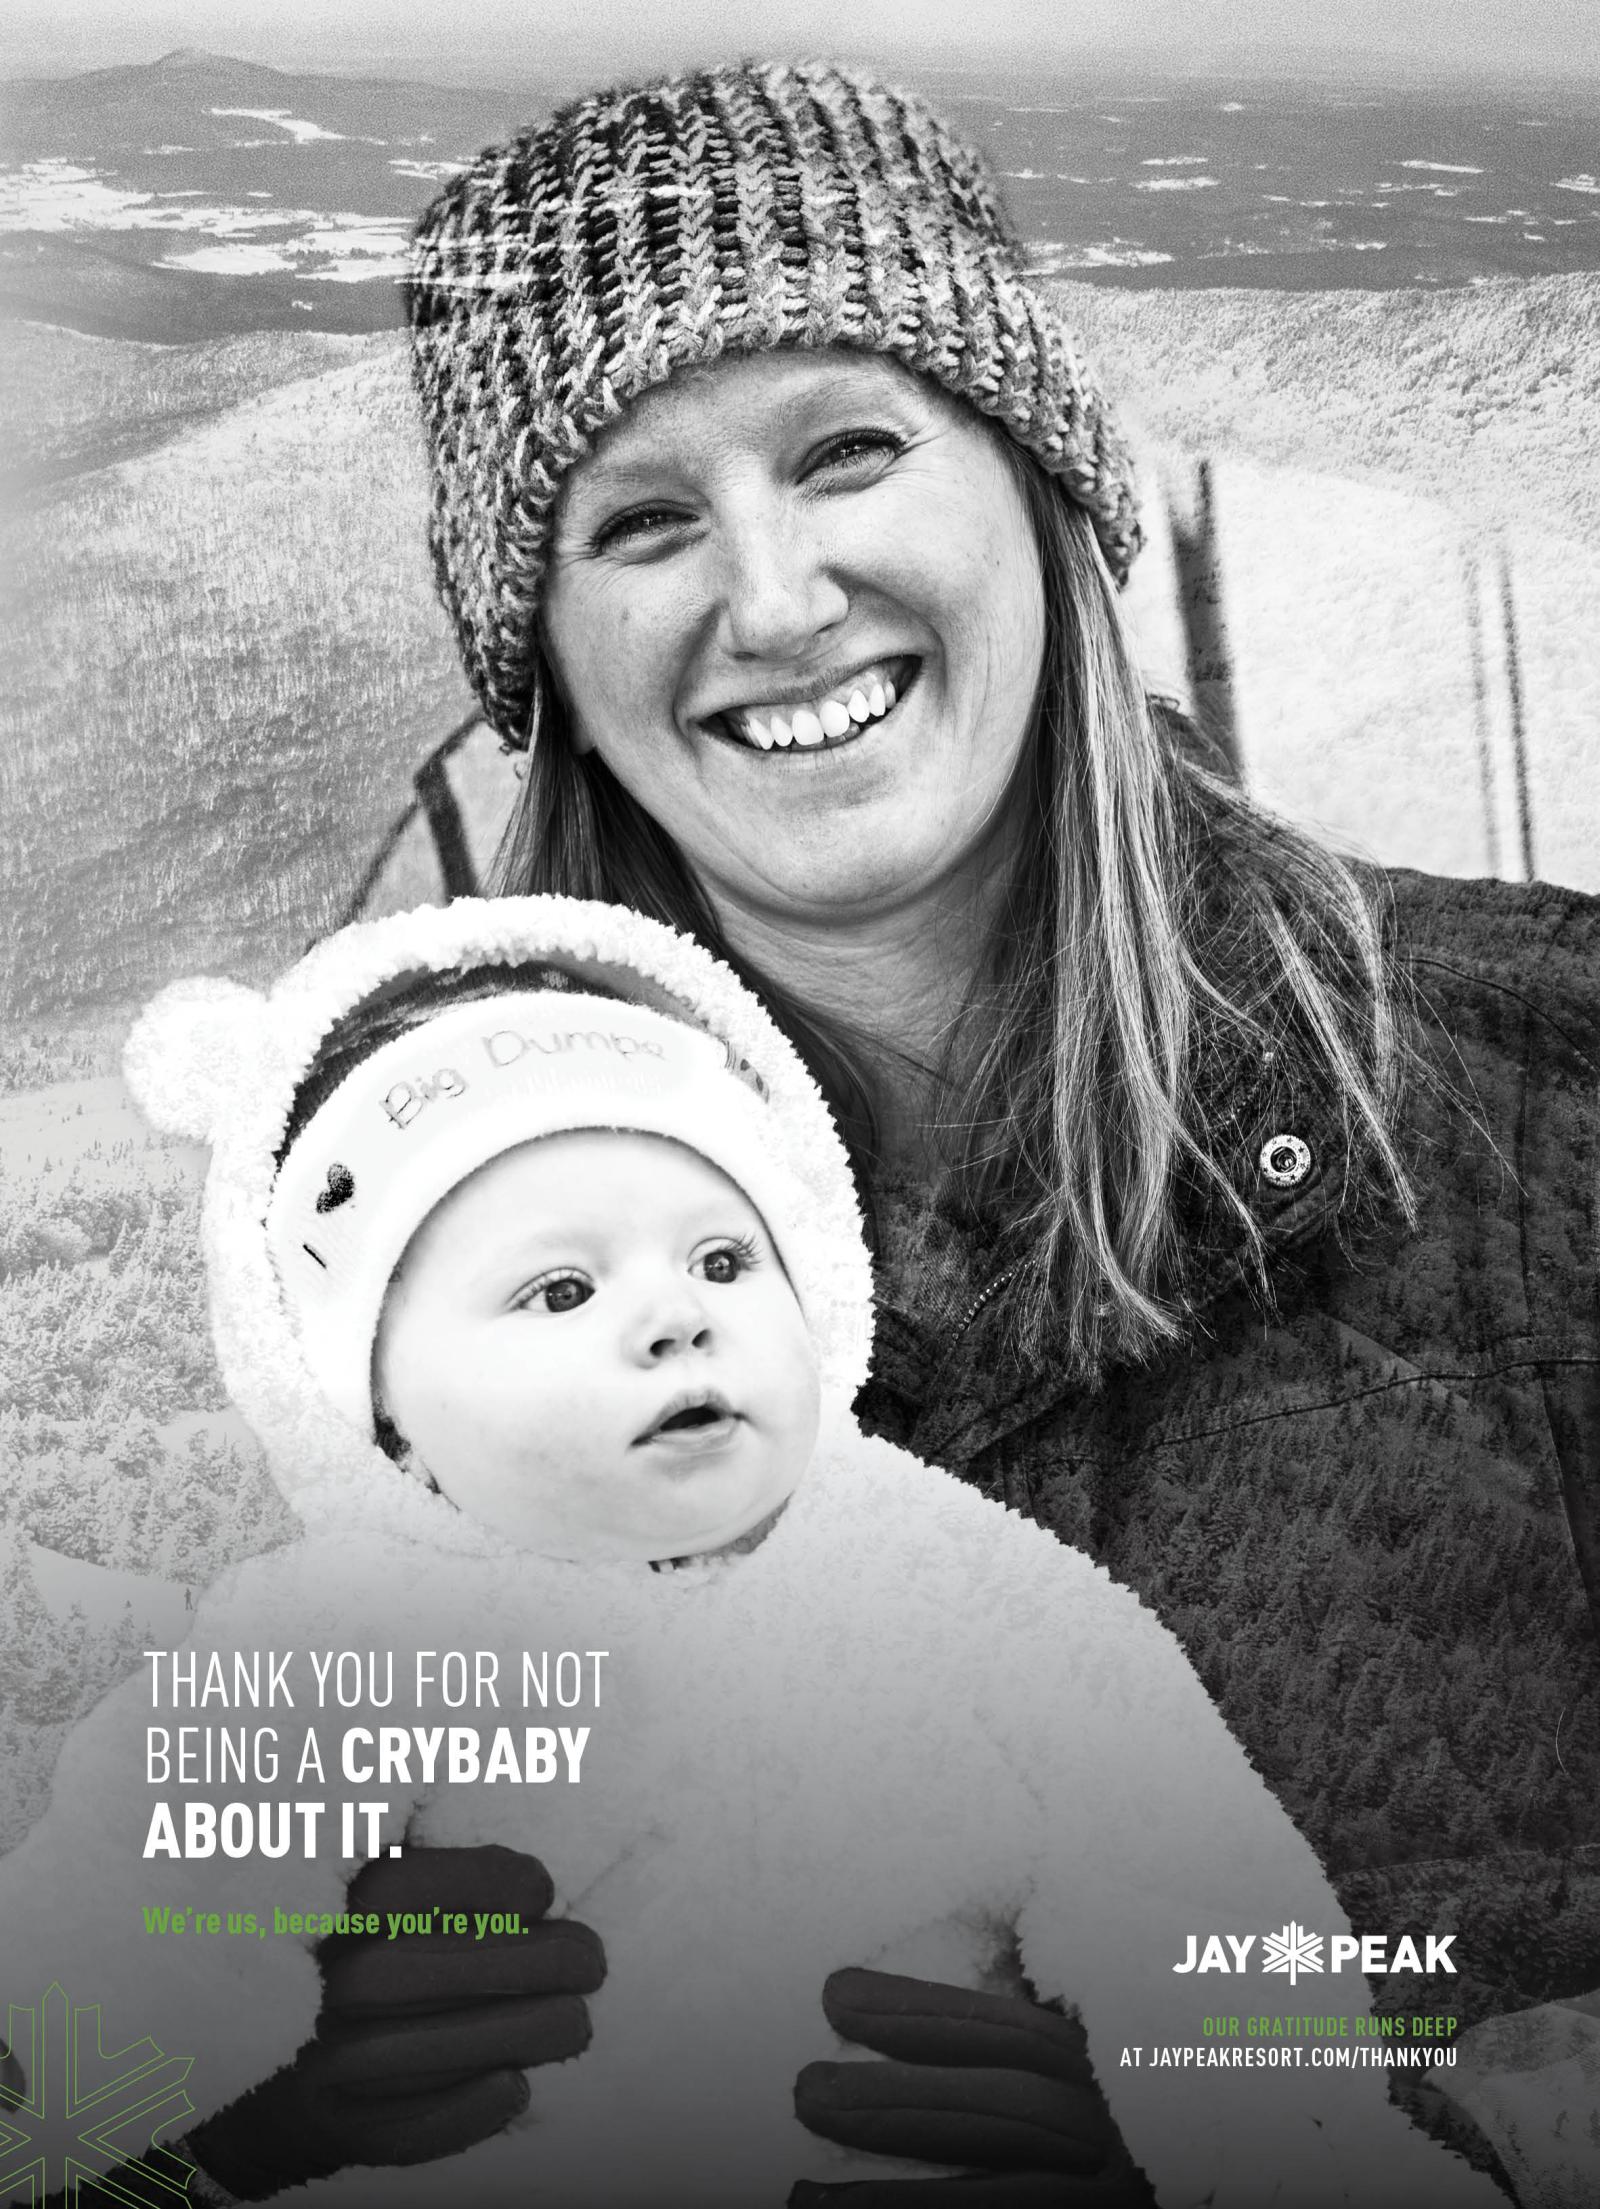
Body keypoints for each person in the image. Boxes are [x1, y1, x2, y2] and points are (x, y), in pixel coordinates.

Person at [80, 54, 1600, 2209]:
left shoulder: (1546, 1098)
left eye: (848, 446)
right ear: (550, 651)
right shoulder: (371, 1289)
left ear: (1041, 481)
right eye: (639, 518)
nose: (773, 597)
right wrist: (215, 2144)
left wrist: (1254, 2126)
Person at [0, 898, 1499, 2206]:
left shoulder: (947, 1574)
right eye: (560, 1287)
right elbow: (98, 1962)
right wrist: (207, 2144)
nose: (675, 1313)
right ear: (379, 1417)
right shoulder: (325, 1643)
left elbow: (1190, 1872)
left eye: (724, 1256)